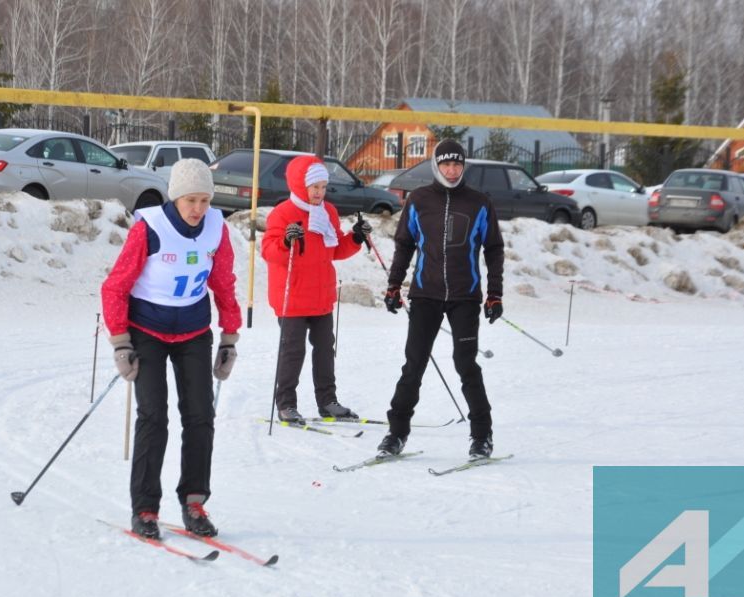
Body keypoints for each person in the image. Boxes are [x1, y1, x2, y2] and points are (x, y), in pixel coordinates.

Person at [101, 158, 241, 540]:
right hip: (147, 330)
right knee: (153, 418)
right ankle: (145, 508)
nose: (198, 209)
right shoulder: (150, 228)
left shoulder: (216, 228)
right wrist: (120, 342)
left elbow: (223, 282)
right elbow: (115, 287)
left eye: (205, 200)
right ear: (176, 197)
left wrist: (230, 336)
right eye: (191, 200)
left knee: (200, 417)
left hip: (194, 330)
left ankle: (194, 502)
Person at [377, 139, 504, 460]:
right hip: (425, 294)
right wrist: (394, 285)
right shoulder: (420, 200)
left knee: (466, 364)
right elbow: (405, 244)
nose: (451, 170)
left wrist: (495, 293)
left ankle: (482, 436)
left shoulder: (479, 202)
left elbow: (494, 248)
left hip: (465, 297)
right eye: (446, 164)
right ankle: (396, 434)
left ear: (463, 167)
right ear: (436, 166)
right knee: (414, 365)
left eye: (457, 164)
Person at [261, 154, 372, 424]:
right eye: (315, 187)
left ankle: (328, 401)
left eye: (323, 187)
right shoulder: (283, 213)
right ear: (301, 185)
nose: (320, 193)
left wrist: (356, 237)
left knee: (325, 348)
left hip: (321, 296)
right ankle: (286, 403)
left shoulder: (328, 213)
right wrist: (286, 242)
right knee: (293, 351)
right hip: (293, 297)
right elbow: (268, 251)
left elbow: (335, 250)